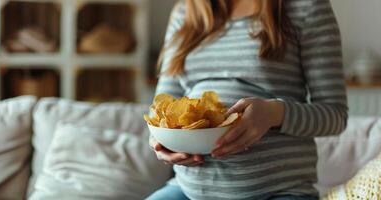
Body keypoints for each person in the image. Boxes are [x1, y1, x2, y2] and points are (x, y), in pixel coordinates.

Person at [147, 0, 348, 199]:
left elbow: (336, 115)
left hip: (280, 191)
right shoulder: (186, 12)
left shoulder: (307, 7)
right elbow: (160, 110)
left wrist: (273, 114)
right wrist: (160, 142)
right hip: (186, 190)